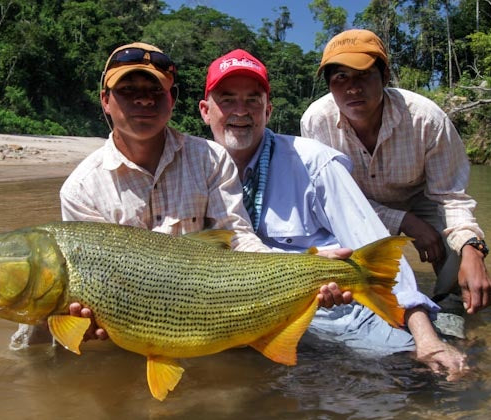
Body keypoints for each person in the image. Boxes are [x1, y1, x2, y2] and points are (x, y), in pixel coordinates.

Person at [10, 42, 346, 348]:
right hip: (128, 321)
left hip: (205, 312)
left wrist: (306, 269)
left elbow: (240, 239)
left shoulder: (211, 159)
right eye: (128, 90)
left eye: (155, 91)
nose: (144, 100)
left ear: (172, 99)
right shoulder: (81, 187)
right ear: (105, 100)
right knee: (45, 348)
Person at [198, 49, 468, 379]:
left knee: (421, 379)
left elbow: (377, 255)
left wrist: (428, 341)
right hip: (235, 316)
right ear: (205, 111)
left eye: (253, 101)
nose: (241, 112)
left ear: (267, 111)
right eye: (227, 100)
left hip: (329, 314)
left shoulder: (315, 164)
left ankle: (443, 325)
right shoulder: (193, 170)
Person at [301, 29, 491, 337]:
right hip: (357, 204)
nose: (352, 89)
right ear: (329, 85)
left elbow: (452, 197)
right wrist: (406, 222)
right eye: (340, 78)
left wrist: (473, 250)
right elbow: (333, 202)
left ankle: (450, 307)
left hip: (421, 196)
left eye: (363, 75)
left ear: (385, 76)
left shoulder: (427, 120)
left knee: (455, 247)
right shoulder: (316, 121)